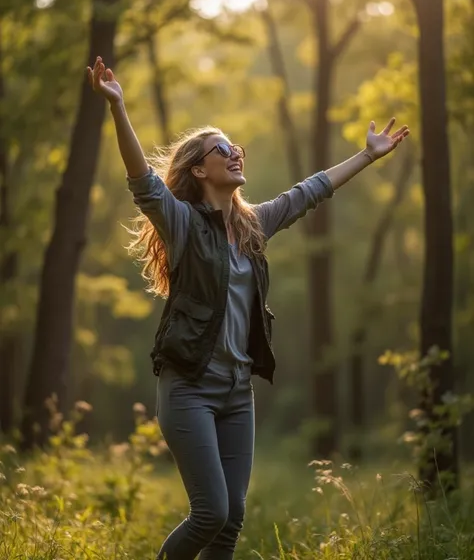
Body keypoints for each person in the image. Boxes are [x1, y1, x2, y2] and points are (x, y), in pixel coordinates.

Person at [87, 55, 409, 560]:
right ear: (199, 168)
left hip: (238, 392)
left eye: (236, 147)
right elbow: (144, 184)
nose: (236, 154)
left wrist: (367, 156)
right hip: (190, 387)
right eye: (222, 149)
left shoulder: (253, 224)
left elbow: (310, 192)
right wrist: (118, 107)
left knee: (232, 522)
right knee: (211, 512)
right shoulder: (184, 224)